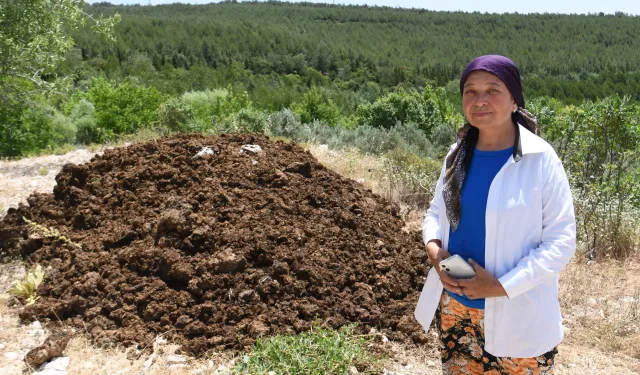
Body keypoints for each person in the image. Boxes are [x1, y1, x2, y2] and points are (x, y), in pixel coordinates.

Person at [414, 55, 576, 375]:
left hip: (518, 314)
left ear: (515, 99)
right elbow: (436, 212)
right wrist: (435, 252)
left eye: (493, 90)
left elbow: (561, 242)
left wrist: (499, 286)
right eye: (470, 91)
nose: (480, 100)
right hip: (456, 310)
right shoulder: (457, 153)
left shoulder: (540, 160)